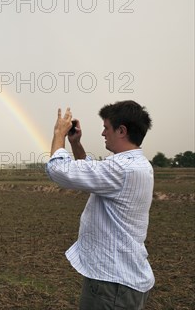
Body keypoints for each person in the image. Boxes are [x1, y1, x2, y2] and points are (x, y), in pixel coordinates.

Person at [46, 101, 154, 309]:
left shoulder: (122, 168)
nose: (103, 133)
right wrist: (76, 144)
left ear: (121, 131)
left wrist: (58, 134)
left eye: (106, 128)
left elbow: (57, 170)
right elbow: (91, 175)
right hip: (121, 281)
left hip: (112, 285)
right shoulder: (137, 165)